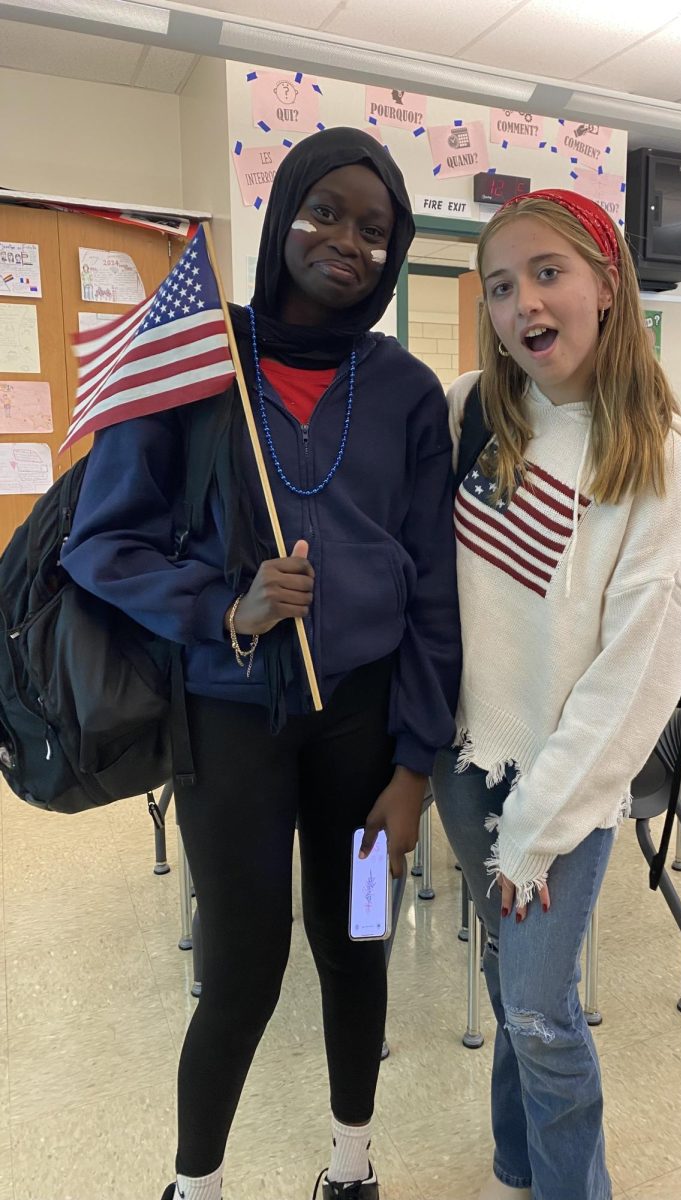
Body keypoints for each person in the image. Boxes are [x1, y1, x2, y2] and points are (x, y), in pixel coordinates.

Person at [61, 128, 460, 1200]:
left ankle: (352, 1163)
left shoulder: (409, 395)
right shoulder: (198, 361)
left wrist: (415, 767)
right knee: (239, 969)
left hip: (368, 728)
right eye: (322, 211)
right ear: (280, 212)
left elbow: (432, 591)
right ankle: (195, 1185)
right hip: (230, 719)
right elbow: (100, 544)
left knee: (360, 939)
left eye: (375, 230)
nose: (346, 242)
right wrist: (221, 606)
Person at [432, 189, 681, 1200]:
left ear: (605, 283)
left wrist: (537, 826)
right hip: (466, 761)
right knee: (510, 980)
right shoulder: (471, 410)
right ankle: (513, 1158)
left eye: (546, 273)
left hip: (563, 788)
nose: (521, 304)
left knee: (543, 1009)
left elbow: (635, 674)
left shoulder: (653, 462)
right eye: (499, 286)